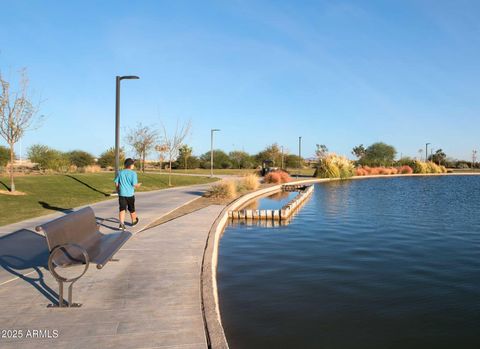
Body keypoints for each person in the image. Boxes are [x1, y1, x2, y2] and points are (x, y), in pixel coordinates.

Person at [114, 158, 141, 231]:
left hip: (122, 194)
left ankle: (121, 224)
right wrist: (138, 185)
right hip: (130, 195)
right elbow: (134, 184)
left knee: (122, 209)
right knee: (132, 209)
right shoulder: (133, 173)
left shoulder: (120, 172)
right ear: (130, 165)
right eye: (133, 164)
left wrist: (117, 190)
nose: (133, 166)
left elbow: (116, 183)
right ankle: (134, 221)